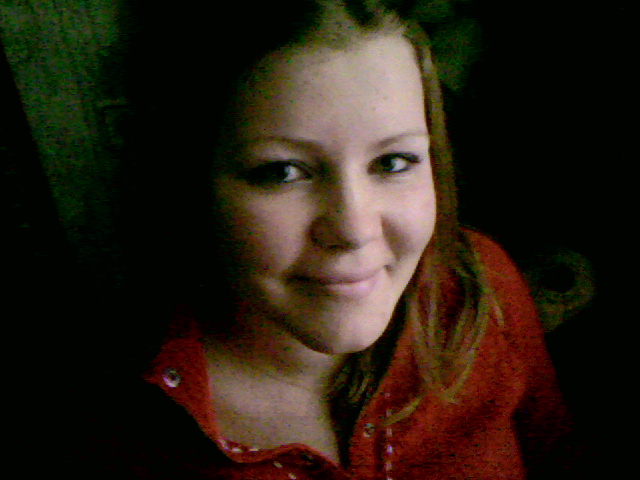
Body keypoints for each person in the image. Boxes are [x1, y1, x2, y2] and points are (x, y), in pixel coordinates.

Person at [64, 1, 578, 478]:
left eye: (393, 162)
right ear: (185, 179)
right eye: (283, 172)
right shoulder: (116, 425)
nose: (354, 229)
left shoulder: (479, 288)